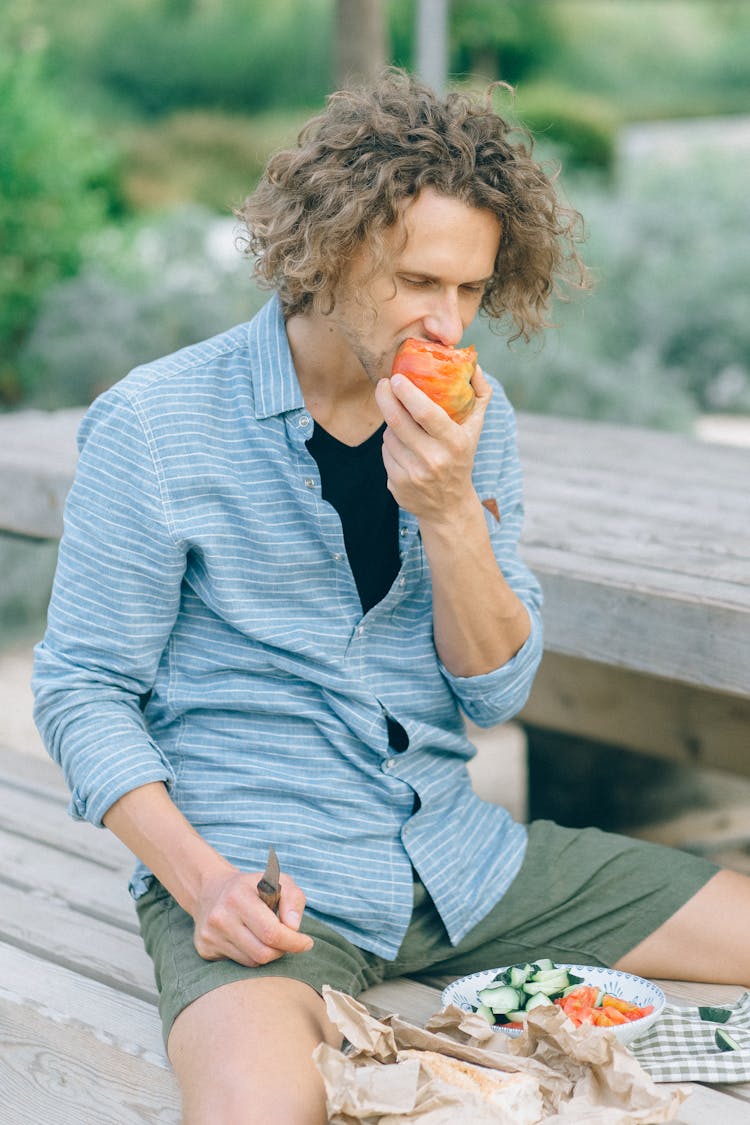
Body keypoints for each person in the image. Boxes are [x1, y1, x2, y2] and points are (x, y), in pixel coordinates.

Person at [32, 70, 750, 1124]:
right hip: (272, 883)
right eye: (419, 281)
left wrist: (452, 513)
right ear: (326, 251)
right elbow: (83, 690)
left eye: (471, 291)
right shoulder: (157, 423)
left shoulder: (472, 414)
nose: (449, 323)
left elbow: (496, 692)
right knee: (255, 1110)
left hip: (461, 858)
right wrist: (204, 888)